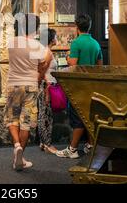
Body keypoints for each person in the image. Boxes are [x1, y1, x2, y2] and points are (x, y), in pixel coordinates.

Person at [56, 14, 103, 158]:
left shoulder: (76, 43)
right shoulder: (95, 43)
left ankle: (73, 149)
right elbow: (100, 66)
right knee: (89, 116)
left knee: (77, 118)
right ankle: (90, 145)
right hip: (92, 86)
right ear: (89, 26)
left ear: (77, 27)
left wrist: (69, 56)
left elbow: (73, 64)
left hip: (78, 86)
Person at [6, 14, 47, 171]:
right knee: (26, 122)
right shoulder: (39, 46)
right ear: (36, 28)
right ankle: (20, 158)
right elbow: (41, 67)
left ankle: (17, 146)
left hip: (13, 84)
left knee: (12, 118)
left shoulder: (11, 43)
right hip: (30, 86)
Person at [37, 28, 59, 154]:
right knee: (46, 116)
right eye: (56, 36)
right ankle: (47, 144)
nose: (57, 38)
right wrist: (46, 88)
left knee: (44, 114)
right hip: (47, 86)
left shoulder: (44, 51)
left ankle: (43, 142)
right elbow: (41, 71)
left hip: (46, 85)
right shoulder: (46, 52)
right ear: (51, 39)